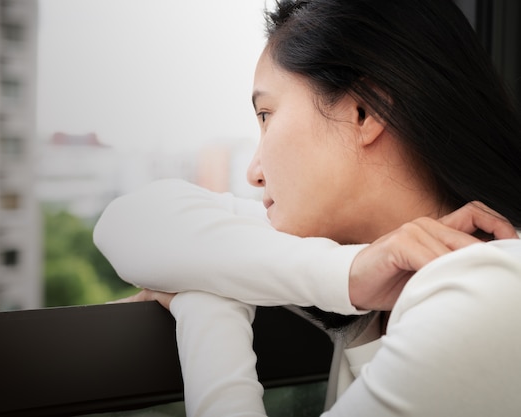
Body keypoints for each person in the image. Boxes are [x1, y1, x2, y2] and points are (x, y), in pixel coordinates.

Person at [94, 0, 521, 415]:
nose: (254, 172)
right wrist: (348, 274)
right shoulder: (382, 278)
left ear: (364, 111)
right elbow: (131, 221)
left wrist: (204, 306)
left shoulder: (484, 292)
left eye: (266, 115)